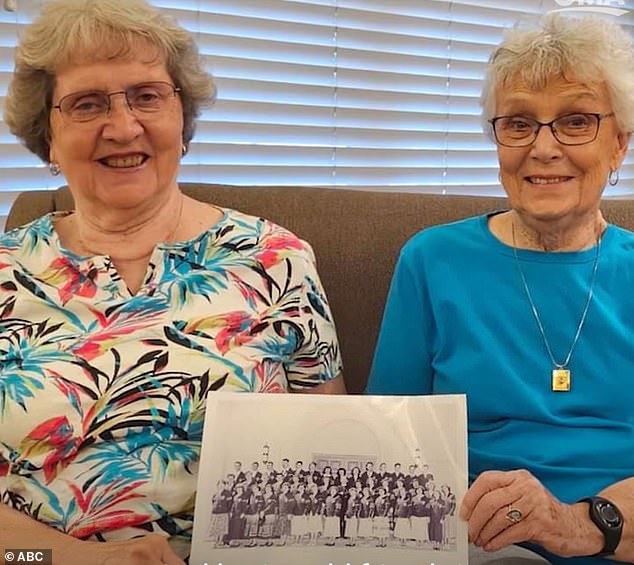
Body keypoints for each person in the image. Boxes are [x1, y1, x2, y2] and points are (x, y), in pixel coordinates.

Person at [0, 0, 345, 563]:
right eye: (87, 105)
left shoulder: (277, 260)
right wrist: (81, 560)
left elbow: (329, 445)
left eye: (147, 95)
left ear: (181, 119)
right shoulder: (5, 271)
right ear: (48, 138)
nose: (123, 126)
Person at [367, 13, 634, 565]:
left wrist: (580, 524)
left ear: (619, 145)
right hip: (480, 541)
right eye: (517, 123)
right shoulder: (432, 260)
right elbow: (387, 444)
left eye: (576, 121)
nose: (543, 147)